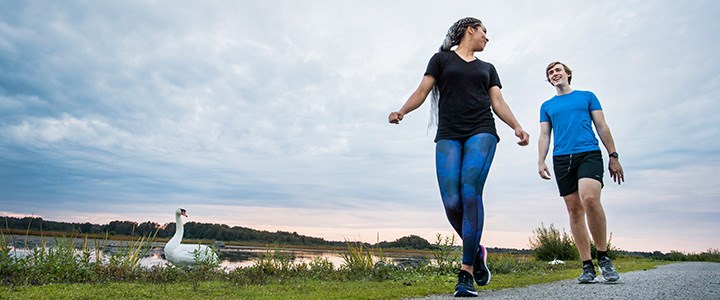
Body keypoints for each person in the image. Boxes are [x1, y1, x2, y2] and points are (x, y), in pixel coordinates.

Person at [389, 17, 529, 297]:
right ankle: (477, 252)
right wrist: (402, 111)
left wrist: (517, 126)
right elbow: (422, 91)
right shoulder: (440, 60)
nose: (487, 38)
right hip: (449, 133)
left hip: (482, 131)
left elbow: (497, 102)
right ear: (470, 30)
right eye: (484, 32)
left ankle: (465, 273)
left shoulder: (488, 68)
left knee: (469, 193)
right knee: (452, 202)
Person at [537, 61, 624, 283]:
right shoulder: (547, 106)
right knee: (574, 210)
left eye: (557, 70)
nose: (554, 73)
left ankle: (603, 258)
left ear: (568, 74)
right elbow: (545, 135)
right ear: (549, 80)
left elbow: (602, 126)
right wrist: (541, 160)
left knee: (590, 199)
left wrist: (613, 156)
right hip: (562, 159)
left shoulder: (587, 96)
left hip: (589, 153)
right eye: (550, 72)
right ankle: (587, 266)